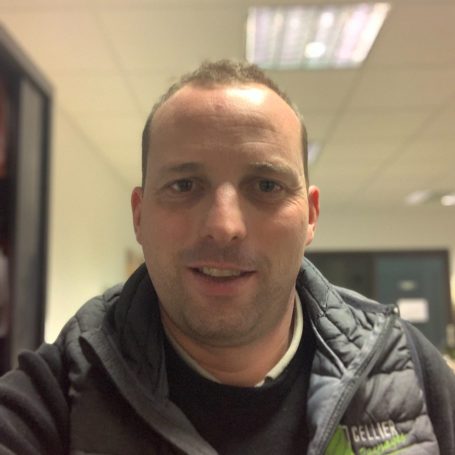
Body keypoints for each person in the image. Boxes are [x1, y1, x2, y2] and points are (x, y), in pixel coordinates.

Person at [0, 60, 454, 455]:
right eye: (184, 185)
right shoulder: (59, 393)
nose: (224, 225)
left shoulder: (405, 368)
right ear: (139, 216)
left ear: (311, 216)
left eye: (267, 186)